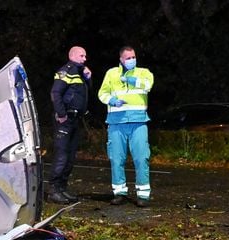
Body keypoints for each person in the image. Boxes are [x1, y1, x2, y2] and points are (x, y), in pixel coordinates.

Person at [98, 46, 155, 207]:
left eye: (133, 57)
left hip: (138, 122)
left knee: (141, 158)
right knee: (116, 159)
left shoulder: (143, 72)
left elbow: (147, 85)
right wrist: (112, 100)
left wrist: (131, 80)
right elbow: (102, 93)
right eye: (128, 58)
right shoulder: (111, 73)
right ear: (121, 60)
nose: (131, 60)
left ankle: (143, 195)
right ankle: (119, 192)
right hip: (116, 122)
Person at [48, 46, 92, 205]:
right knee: (62, 155)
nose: (85, 58)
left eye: (85, 56)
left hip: (76, 119)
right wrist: (61, 114)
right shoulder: (66, 71)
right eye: (82, 55)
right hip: (65, 119)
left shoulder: (80, 73)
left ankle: (62, 188)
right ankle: (53, 190)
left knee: (71, 156)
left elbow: (85, 94)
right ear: (72, 55)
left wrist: (88, 78)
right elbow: (56, 93)